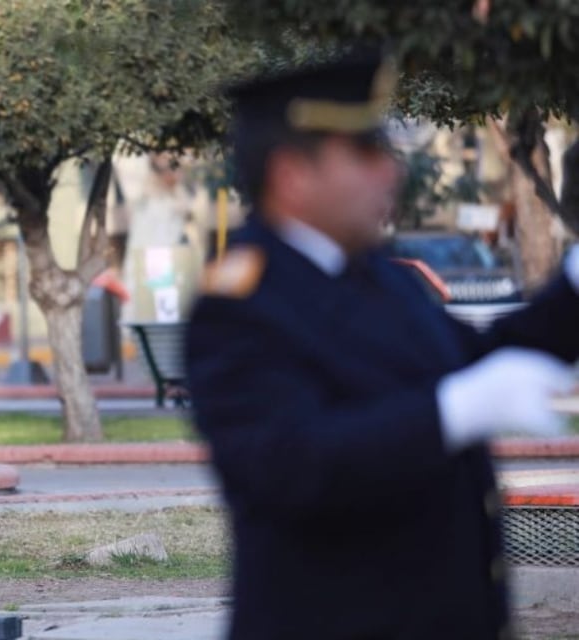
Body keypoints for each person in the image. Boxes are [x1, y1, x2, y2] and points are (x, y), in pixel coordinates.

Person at [185, 49, 579, 639]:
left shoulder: (380, 277)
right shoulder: (239, 303)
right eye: (367, 152)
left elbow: (478, 363)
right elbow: (291, 465)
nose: (390, 171)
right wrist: (450, 413)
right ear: (293, 172)